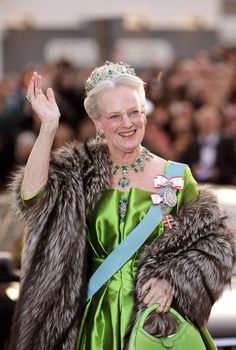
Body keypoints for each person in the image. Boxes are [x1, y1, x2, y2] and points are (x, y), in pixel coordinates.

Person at [9, 62, 235, 350]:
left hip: (154, 325)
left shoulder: (174, 176)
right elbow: (32, 198)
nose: (127, 124)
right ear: (98, 123)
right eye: (114, 116)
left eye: (134, 113)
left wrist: (175, 280)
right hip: (91, 324)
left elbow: (215, 247)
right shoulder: (78, 173)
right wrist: (49, 128)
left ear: (144, 113)